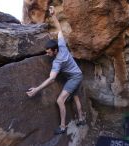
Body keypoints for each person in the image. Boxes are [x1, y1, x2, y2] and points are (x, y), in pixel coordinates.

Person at [26, 6, 85, 135]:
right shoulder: (61, 44)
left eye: (49, 52)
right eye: (46, 52)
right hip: (77, 74)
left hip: (74, 77)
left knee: (60, 100)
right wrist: (53, 14)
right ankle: (81, 119)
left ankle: (62, 127)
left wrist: (36, 89)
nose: (47, 54)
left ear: (55, 51)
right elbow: (58, 28)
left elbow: (52, 79)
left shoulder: (58, 62)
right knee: (75, 96)